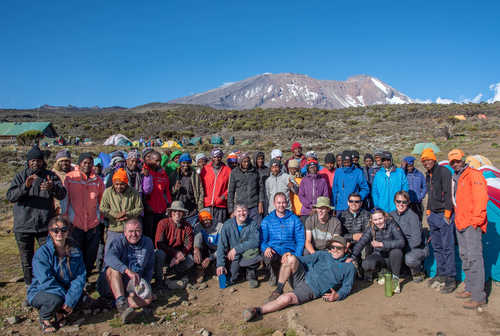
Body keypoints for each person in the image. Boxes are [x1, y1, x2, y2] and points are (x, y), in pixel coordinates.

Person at [242, 236, 355, 322]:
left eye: (338, 248)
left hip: (311, 289)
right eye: (332, 247)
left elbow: (347, 287)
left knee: (287, 298)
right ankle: (278, 290)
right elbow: (302, 259)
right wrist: (288, 255)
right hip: (302, 276)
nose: (334, 250)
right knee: (291, 258)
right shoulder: (322, 254)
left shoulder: (348, 267)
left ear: (345, 249)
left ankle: (257, 310)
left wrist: (338, 295)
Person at [6, 146, 66, 285]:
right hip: (23, 226)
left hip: (45, 226)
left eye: (38, 160)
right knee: (26, 259)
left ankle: (50, 283)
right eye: (32, 160)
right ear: (28, 162)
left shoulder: (50, 176)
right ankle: (30, 286)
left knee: (50, 255)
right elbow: (11, 196)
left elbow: (62, 194)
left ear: (42, 161)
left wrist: (53, 188)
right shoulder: (21, 177)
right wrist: (25, 187)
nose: (35, 163)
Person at [27, 216, 86, 333]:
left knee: (82, 299)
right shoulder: (42, 253)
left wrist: (71, 298)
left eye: (63, 230)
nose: (60, 233)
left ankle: (60, 313)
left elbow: (80, 276)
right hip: (42, 290)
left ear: (68, 232)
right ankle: (45, 318)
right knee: (55, 299)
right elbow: (45, 280)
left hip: (65, 288)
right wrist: (66, 297)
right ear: (50, 232)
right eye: (55, 230)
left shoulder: (75, 251)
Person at [448, 149, 488, 309]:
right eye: (452, 162)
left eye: (457, 160)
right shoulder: (455, 176)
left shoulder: (474, 174)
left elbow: (481, 197)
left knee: (475, 258)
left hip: (471, 223)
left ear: (462, 159)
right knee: (465, 256)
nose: (455, 163)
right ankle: (470, 288)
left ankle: (479, 296)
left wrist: (476, 220)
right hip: (460, 222)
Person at [97, 219, 154, 324]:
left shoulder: (147, 243)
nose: (134, 234)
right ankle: (121, 304)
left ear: (141, 231)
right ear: (124, 232)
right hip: (111, 282)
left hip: (131, 286)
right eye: (130, 231)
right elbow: (109, 258)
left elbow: (149, 268)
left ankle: (120, 303)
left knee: (148, 300)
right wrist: (127, 270)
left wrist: (143, 285)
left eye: (137, 231)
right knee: (113, 269)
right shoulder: (118, 241)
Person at [62, 152, 105, 276]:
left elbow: (102, 199)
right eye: (85, 162)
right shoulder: (70, 178)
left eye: (90, 163)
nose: (87, 165)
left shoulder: (97, 180)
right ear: (79, 164)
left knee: (90, 254)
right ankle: (76, 279)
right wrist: (65, 217)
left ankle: (86, 277)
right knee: (76, 253)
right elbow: (65, 199)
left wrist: (100, 217)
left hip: (93, 223)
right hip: (75, 222)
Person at [421, 148, 456, 294]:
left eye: (428, 160)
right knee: (437, 246)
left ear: (434, 159)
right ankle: (441, 274)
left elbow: (448, 193)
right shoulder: (428, 175)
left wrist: (447, 214)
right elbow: (430, 194)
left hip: (444, 214)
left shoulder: (444, 172)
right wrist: (428, 212)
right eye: (423, 161)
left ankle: (451, 277)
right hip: (433, 215)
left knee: (447, 247)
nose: (426, 162)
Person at [352, 209, 405, 293]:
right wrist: (353, 257)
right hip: (379, 255)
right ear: (372, 220)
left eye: (380, 218)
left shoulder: (392, 224)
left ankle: (395, 279)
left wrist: (382, 244)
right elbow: (361, 242)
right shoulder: (371, 228)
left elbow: (401, 242)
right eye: (375, 220)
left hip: (393, 257)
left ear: (384, 217)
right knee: (366, 264)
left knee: (397, 252)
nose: (378, 222)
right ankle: (382, 272)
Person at [261, 192, 305, 285]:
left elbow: (300, 239)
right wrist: (266, 248)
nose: (281, 205)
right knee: (266, 254)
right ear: (274, 203)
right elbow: (262, 240)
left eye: (283, 202)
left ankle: (290, 272)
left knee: (293, 281)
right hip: (274, 251)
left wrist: (296, 256)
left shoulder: (294, 219)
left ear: (287, 203)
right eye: (279, 202)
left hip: (290, 251)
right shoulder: (267, 220)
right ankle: (273, 274)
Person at [216, 203, 262, 288]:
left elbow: (255, 241)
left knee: (253, 250)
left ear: (248, 212)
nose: (242, 213)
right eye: (239, 211)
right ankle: (240, 271)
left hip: (247, 253)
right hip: (234, 257)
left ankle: (251, 274)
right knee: (231, 279)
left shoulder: (253, 224)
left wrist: (236, 249)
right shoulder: (227, 225)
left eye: (244, 210)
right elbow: (221, 246)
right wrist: (220, 264)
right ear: (234, 213)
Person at [390, 191, 428, 282]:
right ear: (395, 202)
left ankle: (417, 272)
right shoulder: (391, 215)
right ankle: (401, 270)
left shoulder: (413, 216)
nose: (401, 204)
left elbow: (416, 240)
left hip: (415, 248)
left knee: (409, 259)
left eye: (404, 202)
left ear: (408, 202)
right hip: (399, 246)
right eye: (398, 201)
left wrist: (400, 248)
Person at [100, 168, 144, 246]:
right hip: (113, 228)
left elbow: (139, 208)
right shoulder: (108, 192)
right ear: (113, 183)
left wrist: (127, 214)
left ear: (126, 183)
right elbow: (103, 208)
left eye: (122, 184)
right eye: (116, 184)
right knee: (111, 253)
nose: (119, 187)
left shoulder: (133, 192)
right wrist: (115, 215)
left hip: (130, 230)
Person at [154, 201, 194, 286]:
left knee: (190, 259)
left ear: (183, 213)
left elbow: (188, 244)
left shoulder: (187, 226)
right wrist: (175, 253)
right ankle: (159, 280)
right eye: (174, 211)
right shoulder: (163, 223)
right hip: (166, 252)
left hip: (179, 255)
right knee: (159, 254)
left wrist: (180, 255)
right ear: (170, 212)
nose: (177, 213)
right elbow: (159, 243)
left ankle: (173, 273)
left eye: (180, 211)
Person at [142, 149, 171, 241]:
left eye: (159, 161)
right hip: (149, 210)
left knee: (159, 235)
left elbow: (166, 191)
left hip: (161, 209)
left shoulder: (163, 173)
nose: (158, 163)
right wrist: (146, 205)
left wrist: (168, 204)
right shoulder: (145, 172)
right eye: (156, 161)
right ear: (149, 160)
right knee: (148, 235)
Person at [227, 152, 264, 224]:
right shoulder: (234, 172)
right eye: (244, 162)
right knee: (241, 229)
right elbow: (230, 192)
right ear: (240, 162)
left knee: (256, 228)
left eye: (248, 161)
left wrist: (260, 203)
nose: (246, 163)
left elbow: (260, 188)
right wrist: (231, 210)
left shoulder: (255, 171)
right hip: (241, 207)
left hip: (254, 206)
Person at [170, 153, 204, 227]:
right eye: (183, 163)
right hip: (178, 209)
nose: (185, 165)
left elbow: (201, 191)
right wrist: (175, 189)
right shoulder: (174, 175)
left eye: (188, 163)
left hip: (192, 209)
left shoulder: (195, 175)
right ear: (180, 163)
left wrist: (200, 206)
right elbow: (170, 192)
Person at [200, 148, 232, 225]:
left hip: (221, 205)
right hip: (207, 205)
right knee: (206, 228)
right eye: (215, 157)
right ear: (212, 157)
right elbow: (201, 186)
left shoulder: (227, 170)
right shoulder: (205, 169)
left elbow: (231, 187)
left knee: (219, 228)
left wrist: (223, 196)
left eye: (219, 157)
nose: (217, 159)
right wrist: (203, 198)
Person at [193, 210, 223, 282]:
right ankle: (200, 270)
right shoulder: (198, 226)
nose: (205, 222)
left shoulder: (220, 227)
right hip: (207, 248)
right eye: (203, 220)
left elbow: (223, 247)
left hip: (218, 249)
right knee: (197, 250)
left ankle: (216, 269)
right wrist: (196, 249)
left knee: (221, 256)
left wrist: (210, 258)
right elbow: (197, 240)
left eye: (207, 219)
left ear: (211, 218)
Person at [403, 156, 427, 221]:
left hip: (417, 202)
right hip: (407, 202)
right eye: (408, 166)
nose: (410, 167)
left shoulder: (419, 174)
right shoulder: (403, 174)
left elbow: (424, 186)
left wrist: (421, 196)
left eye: (411, 165)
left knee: (418, 219)